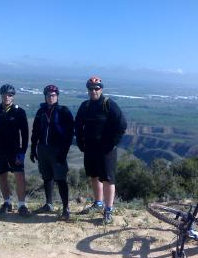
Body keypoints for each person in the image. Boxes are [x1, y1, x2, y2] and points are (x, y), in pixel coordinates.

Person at [75, 76, 127, 224]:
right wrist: (80, 141)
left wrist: (112, 143)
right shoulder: (85, 106)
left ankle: (108, 210)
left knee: (108, 179)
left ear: (101, 89)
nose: (93, 91)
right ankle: (98, 203)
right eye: (90, 89)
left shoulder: (108, 104)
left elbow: (122, 125)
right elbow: (78, 125)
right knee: (94, 175)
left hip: (106, 150)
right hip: (90, 148)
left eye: (96, 88)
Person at [0, 84, 30, 217]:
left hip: (15, 150)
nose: (7, 97)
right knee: (2, 177)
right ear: (1, 96)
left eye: (9, 95)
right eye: (4, 94)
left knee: (20, 177)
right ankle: (7, 202)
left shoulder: (19, 112)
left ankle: (22, 205)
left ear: (13, 96)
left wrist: (23, 151)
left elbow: (25, 134)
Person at [30, 85, 74, 220]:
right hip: (43, 148)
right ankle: (49, 204)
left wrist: (64, 152)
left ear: (57, 96)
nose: (51, 97)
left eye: (53, 95)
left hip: (58, 149)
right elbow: (35, 131)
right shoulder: (40, 112)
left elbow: (70, 133)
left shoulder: (64, 111)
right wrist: (33, 148)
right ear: (45, 96)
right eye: (49, 95)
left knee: (61, 179)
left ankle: (66, 208)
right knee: (46, 177)